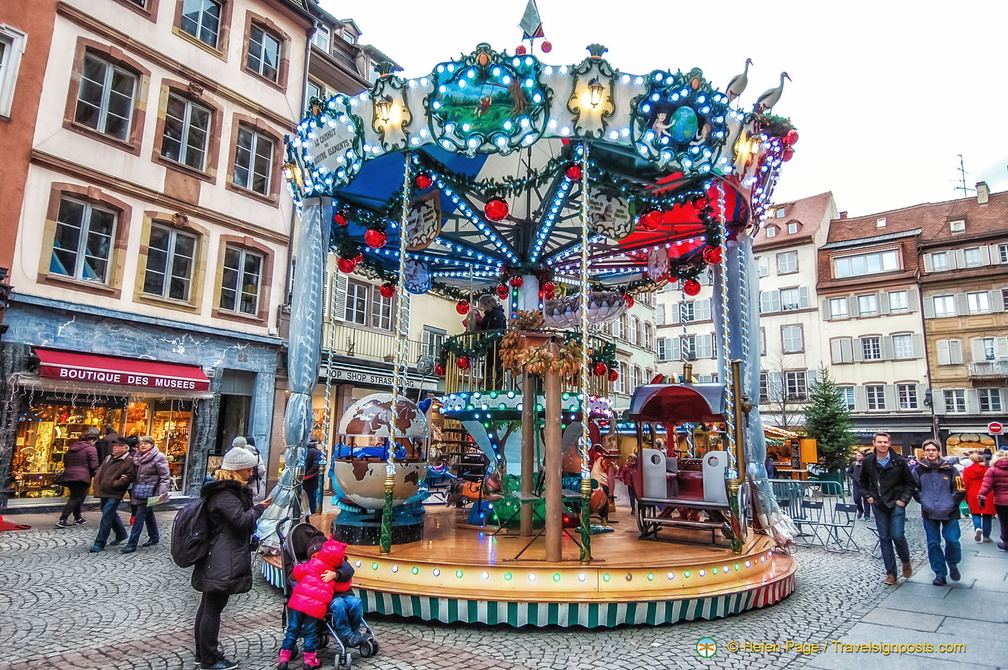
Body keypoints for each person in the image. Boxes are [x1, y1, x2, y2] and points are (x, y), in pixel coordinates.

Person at [192, 447, 273, 670]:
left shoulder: (224, 491)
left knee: (208, 605)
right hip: (222, 555)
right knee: (213, 608)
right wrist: (259, 509)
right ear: (238, 470)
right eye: (248, 469)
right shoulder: (225, 494)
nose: (251, 473)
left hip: (219, 553)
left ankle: (203, 653)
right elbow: (240, 522)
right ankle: (209, 658)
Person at [279, 538, 348, 670]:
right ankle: (309, 660)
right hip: (315, 608)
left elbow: (297, 573)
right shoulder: (333, 574)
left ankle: (284, 658)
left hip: (298, 602)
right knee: (310, 632)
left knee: (292, 629)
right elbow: (343, 587)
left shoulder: (313, 563)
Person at [859, 432, 917, 585]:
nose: (882, 445)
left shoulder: (899, 461)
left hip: (896, 502)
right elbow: (862, 482)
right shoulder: (868, 461)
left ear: (890, 443)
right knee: (884, 538)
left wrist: (903, 500)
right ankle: (891, 573)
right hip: (879, 504)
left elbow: (910, 483)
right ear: (874, 443)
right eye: (880, 442)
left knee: (898, 535)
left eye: (885, 442)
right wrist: (868, 497)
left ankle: (905, 560)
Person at [912, 439, 965, 585]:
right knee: (933, 543)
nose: (930, 452)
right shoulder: (918, 469)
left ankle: (953, 563)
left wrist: (950, 503)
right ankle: (940, 573)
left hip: (950, 511)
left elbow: (960, 489)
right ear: (924, 451)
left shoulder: (951, 469)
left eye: (933, 450)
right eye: (928, 450)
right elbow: (914, 488)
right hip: (929, 511)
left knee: (952, 540)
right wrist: (924, 501)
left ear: (939, 451)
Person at [121, 436, 170, 554]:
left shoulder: (159, 457)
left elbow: (165, 477)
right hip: (139, 490)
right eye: (141, 443)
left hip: (150, 491)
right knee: (148, 514)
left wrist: (161, 493)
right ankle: (154, 537)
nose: (142, 445)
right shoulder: (137, 456)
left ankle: (132, 543)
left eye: (146, 443)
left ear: (152, 445)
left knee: (139, 516)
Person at [89, 437, 137, 552]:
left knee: (106, 516)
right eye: (114, 446)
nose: (114, 448)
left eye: (118, 446)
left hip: (115, 492)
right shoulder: (108, 458)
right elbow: (101, 471)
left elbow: (130, 476)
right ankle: (121, 534)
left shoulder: (128, 460)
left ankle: (99, 543)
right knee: (109, 513)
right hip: (103, 490)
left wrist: (116, 483)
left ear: (126, 448)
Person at [56, 427, 99, 528]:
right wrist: (96, 474)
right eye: (95, 441)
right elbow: (94, 465)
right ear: (92, 440)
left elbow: (66, 461)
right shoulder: (91, 449)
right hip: (82, 476)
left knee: (77, 496)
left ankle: (78, 517)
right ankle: (63, 519)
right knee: (75, 497)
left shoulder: (72, 447)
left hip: (70, 474)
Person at [977, 449, 1008, 552]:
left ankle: (1006, 543)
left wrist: (981, 495)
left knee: (1004, 522)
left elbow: (986, 486)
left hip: (1001, 501)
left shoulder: (992, 470)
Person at [963, 452, 996, 543]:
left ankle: (977, 528)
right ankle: (986, 536)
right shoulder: (988, 470)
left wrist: (965, 496)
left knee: (975, 513)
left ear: (972, 460)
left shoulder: (967, 470)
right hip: (987, 494)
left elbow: (965, 484)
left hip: (972, 494)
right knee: (987, 515)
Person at [303, 439, 323, 520]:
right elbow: (316, 466)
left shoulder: (303, 451)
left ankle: (305, 515)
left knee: (303, 500)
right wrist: (307, 476)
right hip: (310, 480)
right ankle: (314, 517)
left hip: (300, 479)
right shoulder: (316, 452)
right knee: (312, 499)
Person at [847, 450, 871, 520]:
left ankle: (867, 515)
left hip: (865, 484)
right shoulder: (854, 464)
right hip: (856, 484)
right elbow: (849, 472)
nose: (858, 457)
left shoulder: (867, 464)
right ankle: (860, 510)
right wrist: (854, 477)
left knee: (866, 499)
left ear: (863, 457)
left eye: (859, 456)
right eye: (857, 455)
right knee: (856, 499)